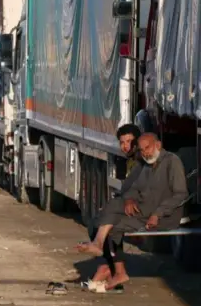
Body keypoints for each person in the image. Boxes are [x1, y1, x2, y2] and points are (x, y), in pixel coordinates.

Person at [76, 133, 188, 290]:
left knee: (113, 205)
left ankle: (99, 245)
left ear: (158, 145)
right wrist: (129, 199)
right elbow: (134, 187)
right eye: (141, 150)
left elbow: (180, 194)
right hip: (143, 212)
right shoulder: (147, 164)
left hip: (164, 217)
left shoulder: (172, 162)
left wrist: (158, 213)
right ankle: (119, 272)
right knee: (112, 225)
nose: (145, 153)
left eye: (147, 148)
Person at [85, 124, 142, 291]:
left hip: (138, 207)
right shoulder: (131, 160)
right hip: (130, 204)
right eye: (122, 142)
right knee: (98, 222)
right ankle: (109, 269)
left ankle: (110, 269)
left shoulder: (140, 160)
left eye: (130, 141)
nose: (126, 146)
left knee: (104, 224)